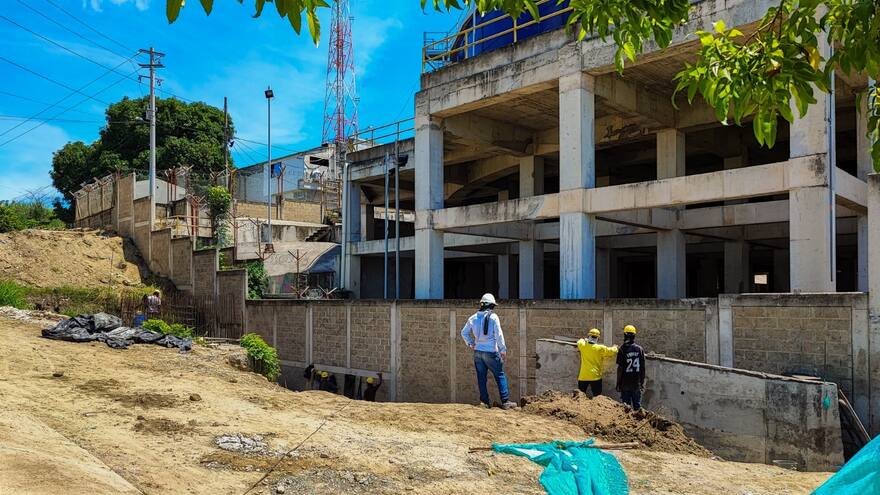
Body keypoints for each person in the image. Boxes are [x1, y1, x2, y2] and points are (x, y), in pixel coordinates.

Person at [460, 293, 517, 410]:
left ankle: (484, 402)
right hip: (491, 352)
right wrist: (503, 349)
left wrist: (471, 343)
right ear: (490, 305)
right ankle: (505, 401)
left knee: (481, 377)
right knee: (500, 375)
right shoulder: (493, 317)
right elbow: (499, 334)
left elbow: (463, 332)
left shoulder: (473, 317)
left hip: (478, 352)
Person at [576, 328, 618, 398]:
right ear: (597, 338)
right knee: (597, 398)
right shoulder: (600, 348)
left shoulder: (583, 346)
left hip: (583, 376)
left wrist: (585, 340)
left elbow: (579, 341)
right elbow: (612, 351)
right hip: (595, 376)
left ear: (589, 336)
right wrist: (615, 347)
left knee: (580, 397)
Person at [616, 324, 646, 410]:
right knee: (637, 407)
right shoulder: (640, 349)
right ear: (634, 336)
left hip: (625, 384)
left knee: (626, 408)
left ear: (625, 335)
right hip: (636, 383)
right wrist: (642, 382)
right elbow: (643, 368)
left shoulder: (622, 349)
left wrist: (618, 383)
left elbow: (620, 368)